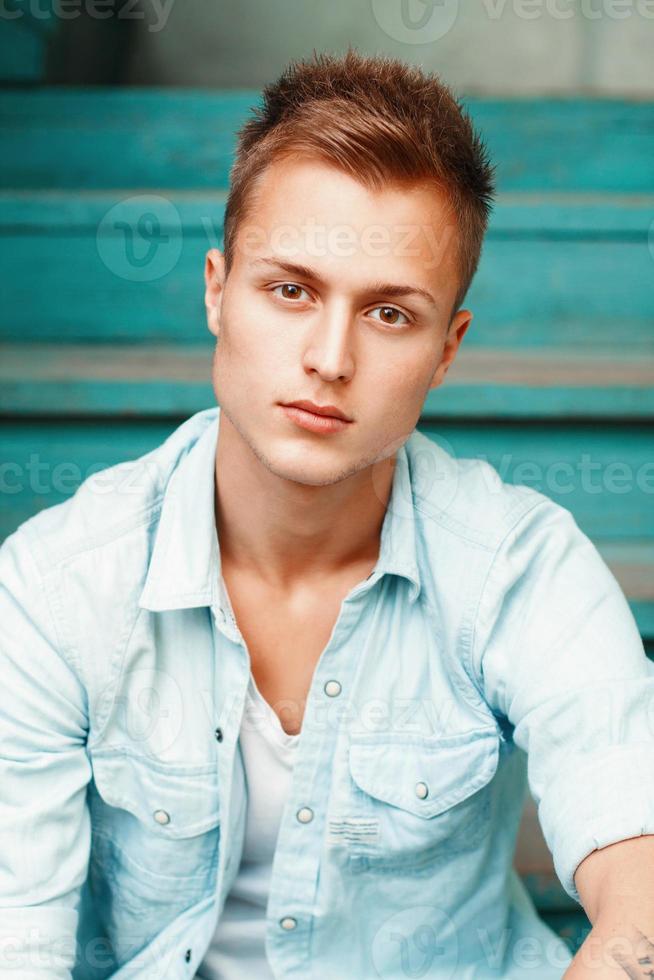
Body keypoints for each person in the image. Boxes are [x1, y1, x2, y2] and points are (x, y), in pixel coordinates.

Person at [1, 47, 653, 980]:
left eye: (390, 314)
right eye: (291, 290)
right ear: (218, 291)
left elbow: (637, 851)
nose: (329, 358)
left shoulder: (518, 565)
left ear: (447, 350)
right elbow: (16, 939)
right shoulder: (57, 589)